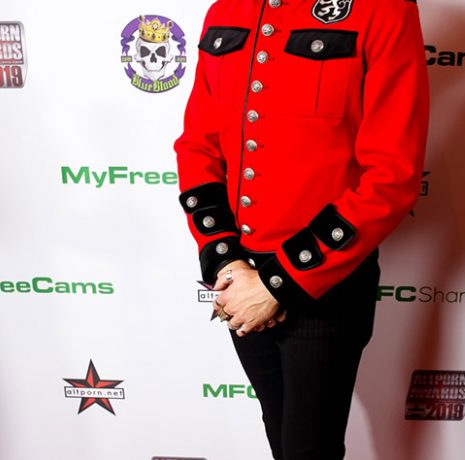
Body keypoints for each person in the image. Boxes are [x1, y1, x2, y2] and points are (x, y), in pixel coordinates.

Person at [174, 0, 429, 458]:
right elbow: (198, 146)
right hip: (240, 278)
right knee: (280, 435)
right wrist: (226, 260)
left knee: (310, 450)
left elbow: (392, 176)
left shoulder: (384, 10)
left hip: (327, 283)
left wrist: (278, 284)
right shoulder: (226, 11)